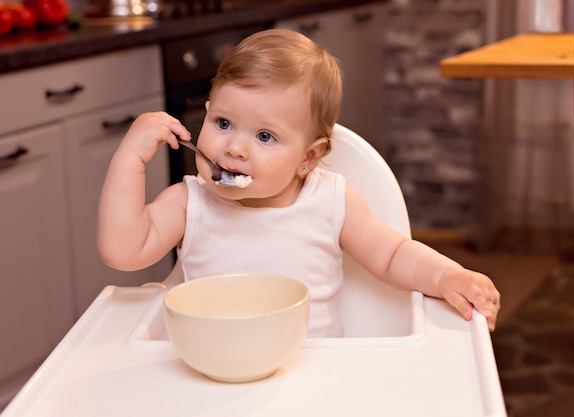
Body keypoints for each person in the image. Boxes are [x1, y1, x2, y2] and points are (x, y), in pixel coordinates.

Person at [97, 28, 500, 337]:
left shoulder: (330, 202)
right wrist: (129, 158)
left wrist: (449, 277)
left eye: (265, 136)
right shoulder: (189, 203)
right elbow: (122, 250)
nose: (234, 147)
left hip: (313, 377)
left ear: (308, 157)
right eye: (223, 123)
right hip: (209, 372)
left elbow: (394, 255)